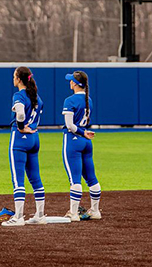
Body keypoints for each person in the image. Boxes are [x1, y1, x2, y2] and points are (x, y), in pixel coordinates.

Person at [2, 66, 46, 227]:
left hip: (20, 138)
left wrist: (20, 126)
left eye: (14, 75)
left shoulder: (19, 95)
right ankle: (40, 215)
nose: (13, 78)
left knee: (18, 179)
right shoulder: (36, 97)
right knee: (35, 178)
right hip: (34, 138)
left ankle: (18, 217)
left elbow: (20, 114)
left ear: (19, 79)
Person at [62, 71, 102, 221]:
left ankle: (73, 213)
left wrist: (82, 132)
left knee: (75, 180)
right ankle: (95, 210)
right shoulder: (88, 99)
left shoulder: (69, 100)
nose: (69, 82)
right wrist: (84, 133)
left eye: (71, 80)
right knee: (91, 178)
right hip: (86, 142)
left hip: (74, 140)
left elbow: (70, 125)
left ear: (74, 84)